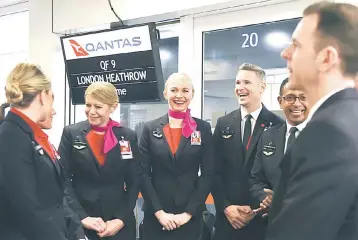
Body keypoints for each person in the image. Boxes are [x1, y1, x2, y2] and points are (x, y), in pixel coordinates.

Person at [266, 2, 358, 240]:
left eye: (296, 45)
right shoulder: (349, 117)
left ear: (326, 58)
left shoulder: (329, 133)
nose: (285, 53)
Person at [58, 82, 140, 240]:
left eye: (98, 106)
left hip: (118, 222)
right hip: (82, 221)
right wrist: (82, 217)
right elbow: (63, 179)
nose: (92, 111)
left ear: (113, 107)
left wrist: (120, 219)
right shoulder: (71, 133)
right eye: (88, 105)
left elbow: (134, 180)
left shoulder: (128, 136)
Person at [0, 63, 72, 240]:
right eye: (52, 97)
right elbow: (27, 208)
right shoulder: (11, 137)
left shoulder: (30, 135)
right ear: (43, 96)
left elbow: (53, 198)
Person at [139, 72, 214, 240]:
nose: (179, 95)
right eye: (174, 90)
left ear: (192, 94)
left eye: (185, 91)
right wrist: (159, 213)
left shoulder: (203, 128)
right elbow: (142, 174)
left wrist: (188, 213)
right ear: (165, 93)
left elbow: (208, 173)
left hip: (190, 216)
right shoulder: (150, 129)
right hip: (156, 216)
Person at [212, 63, 283, 240]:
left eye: (247, 83)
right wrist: (226, 207)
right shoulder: (223, 124)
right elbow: (213, 171)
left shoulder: (277, 125)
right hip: (228, 219)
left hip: (263, 220)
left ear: (262, 87)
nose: (240, 88)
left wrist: (261, 207)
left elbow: (279, 174)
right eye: (237, 83)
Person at [249, 78, 308, 216]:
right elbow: (255, 179)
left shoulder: (327, 136)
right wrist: (265, 198)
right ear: (280, 102)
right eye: (290, 98)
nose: (297, 103)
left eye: (303, 98)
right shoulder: (268, 136)